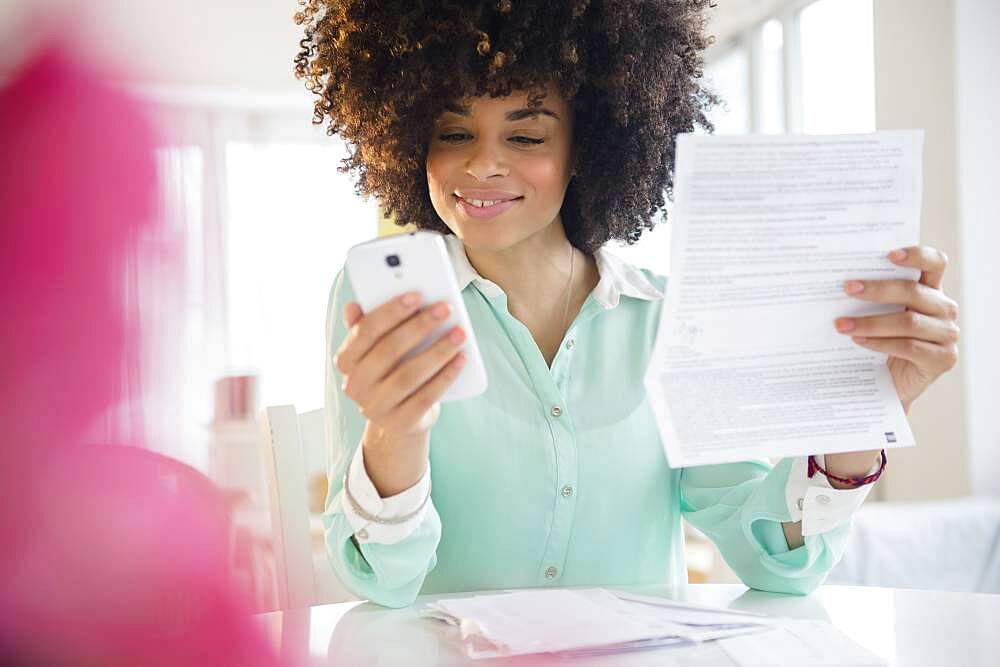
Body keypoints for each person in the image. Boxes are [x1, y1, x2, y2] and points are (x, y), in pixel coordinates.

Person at [294, 0, 961, 608]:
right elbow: (382, 579)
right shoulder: (384, 300)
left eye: (525, 136)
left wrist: (859, 418)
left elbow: (777, 565)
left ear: (588, 146)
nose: (484, 165)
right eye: (453, 132)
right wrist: (395, 432)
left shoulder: (668, 319)